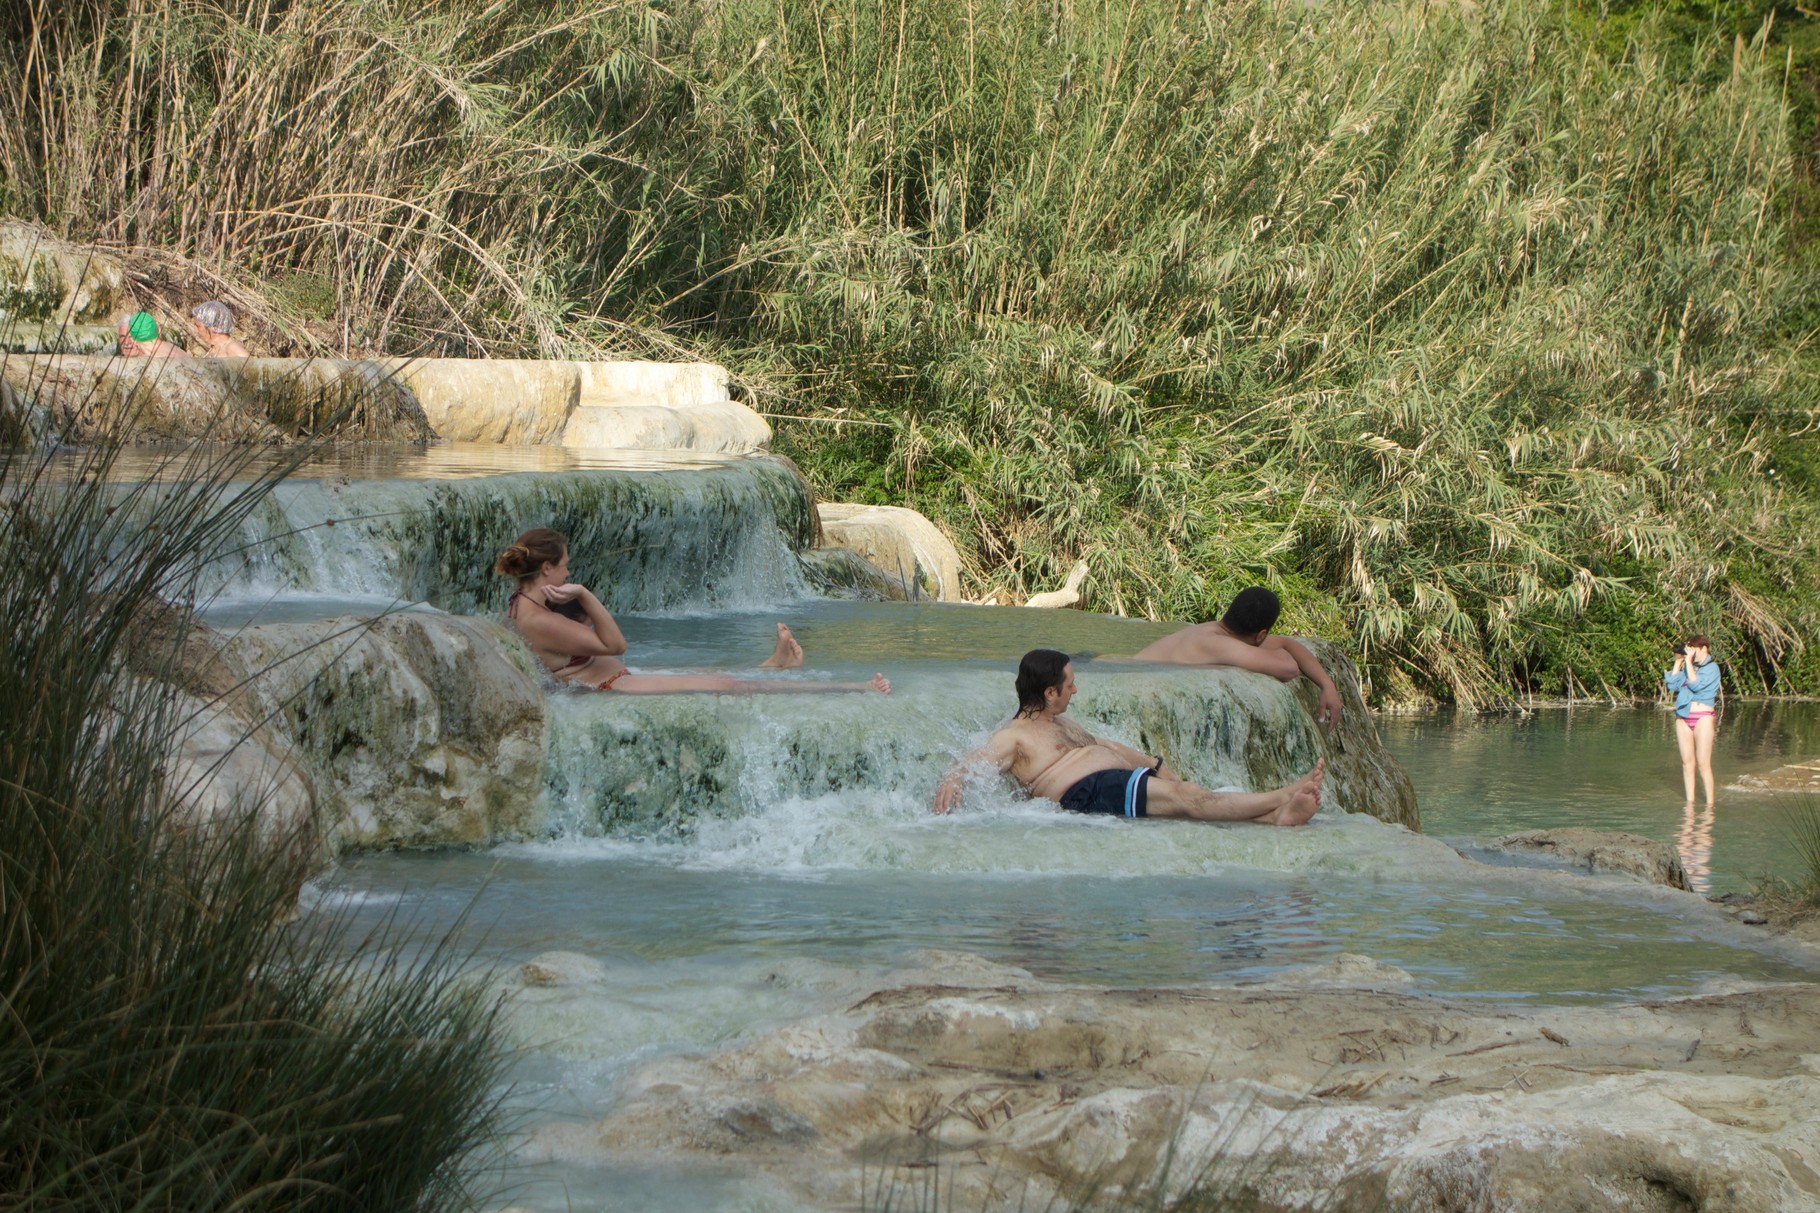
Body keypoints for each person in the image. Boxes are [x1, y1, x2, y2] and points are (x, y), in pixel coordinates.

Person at [932, 648, 1323, 824]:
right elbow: (979, 759)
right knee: (1189, 800)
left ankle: (1275, 817)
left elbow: (1110, 747)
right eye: (1069, 685)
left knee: (1186, 796)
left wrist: (1157, 765)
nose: (1075, 691)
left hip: (1116, 783)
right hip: (1089, 792)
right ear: (1049, 692)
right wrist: (954, 777)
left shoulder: (1062, 724)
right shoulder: (1015, 735)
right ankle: (1283, 795)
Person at [496, 528, 889, 695]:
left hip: (612, 680)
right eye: (565, 565)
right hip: (609, 687)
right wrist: (582, 593)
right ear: (546, 569)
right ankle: (855, 688)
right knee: (727, 687)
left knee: (718, 680)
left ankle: (773, 666)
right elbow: (615, 644)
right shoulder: (541, 620)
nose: (568, 571)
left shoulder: (524, 603)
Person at [1129, 587, 1345, 731]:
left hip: (1132, 670)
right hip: (1134, 687)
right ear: (1261, 635)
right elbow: (1289, 668)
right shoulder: (1222, 646)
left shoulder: (1214, 632)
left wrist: (1327, 686)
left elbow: (1288, 644)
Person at [1665, 634, 1720, 806]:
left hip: (1702, 717)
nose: (1691, 652)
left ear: (1704, 648)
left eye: (1693, 649)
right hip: (1683, 716)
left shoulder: (1712, 668)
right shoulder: (1690, 667)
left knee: (1703, 764)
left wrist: (1688, 663)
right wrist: (1679, 661)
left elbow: (1695, 685)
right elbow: (1672, 685)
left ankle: (1710, 805)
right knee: (1687, 763)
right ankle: (1690, 804)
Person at [117, 311, 190, 359]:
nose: (127, 342)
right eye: (122, 337)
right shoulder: (175, 349)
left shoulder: (152, 358)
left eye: (131, 337)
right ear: (159, 331)